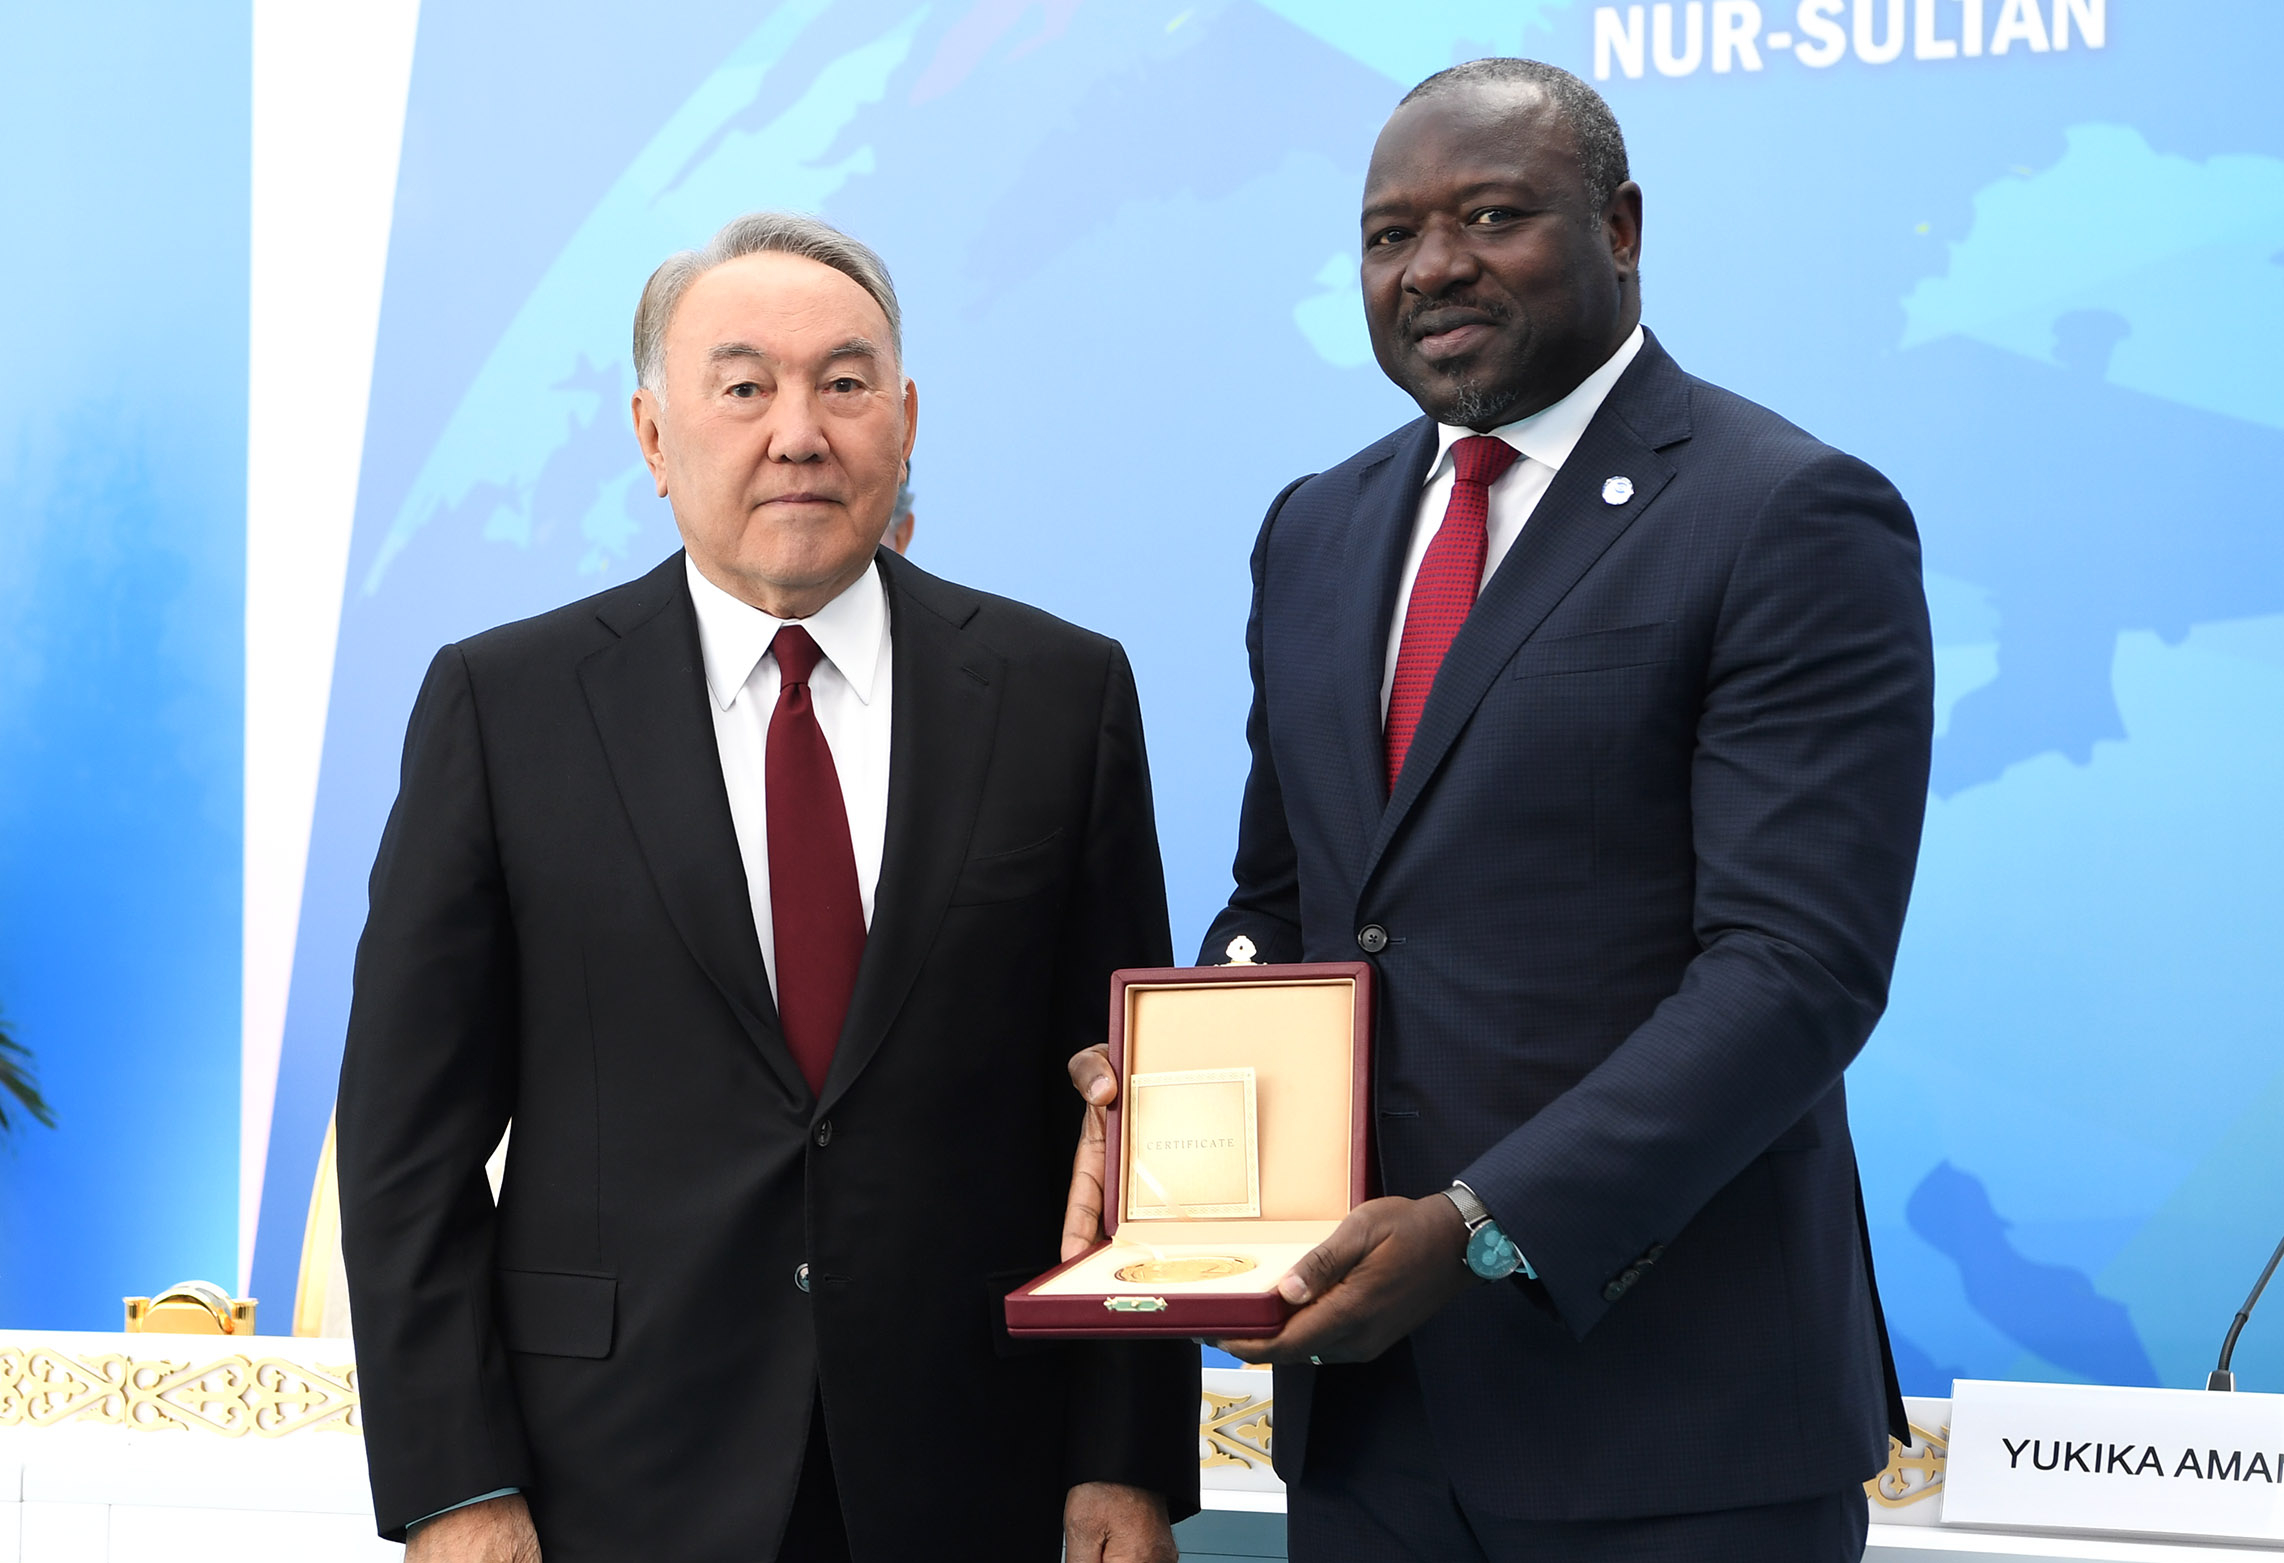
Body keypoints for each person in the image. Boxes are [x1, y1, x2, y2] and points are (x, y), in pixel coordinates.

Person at [1065, 59, 1932, 1562]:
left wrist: (1479, 1223)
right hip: (1367, 1425)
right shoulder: (1316, 527)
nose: (1432, 267)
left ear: (1621, 227)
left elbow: (1796, 971)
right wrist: (1185, 1097)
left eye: (1489, 216)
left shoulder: (1786, 512)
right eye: (1389, 235)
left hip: (1675, 1428)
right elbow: (1286, 900)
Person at [339, 211, 1195, 1563]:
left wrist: (1126, 1458)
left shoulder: (1058, 694)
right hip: (606, 1474)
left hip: (976, 1465)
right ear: (652, 435)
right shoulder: (506, 706)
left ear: (905, 421)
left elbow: (1124, 1107)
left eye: (844, 384)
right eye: (743, 388)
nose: (799, 433)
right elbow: (407, 1143)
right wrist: (455, 1486)